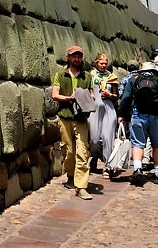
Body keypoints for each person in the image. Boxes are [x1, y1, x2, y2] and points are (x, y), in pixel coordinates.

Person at [118, 61, 158, 186]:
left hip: (138, 115)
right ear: (154, 71)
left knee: (138, 144)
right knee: (157, 146)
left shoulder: (134, 81)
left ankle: (138, 169)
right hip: (157, 117)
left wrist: (122, 114)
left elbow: (126, 98)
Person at [51, 45, 95, 200]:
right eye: (74, 56)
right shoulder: (60, 75)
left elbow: (92, 95)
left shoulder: (87, 76)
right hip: (65, 117)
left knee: (83, 151)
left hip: (81, 119)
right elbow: (55, 95)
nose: (77, 59)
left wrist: (86, 97)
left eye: (79, 56)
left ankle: (81, 186)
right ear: (68, 58)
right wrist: (69, 98)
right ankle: (70, 175)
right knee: (68, 151)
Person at [88, 53, 119, 177]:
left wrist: (110, 95)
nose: (104, 65)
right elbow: (87, 91)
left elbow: (117, 96)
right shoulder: (90, 75)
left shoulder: (112, 77)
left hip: (108, 109)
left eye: (106, 63)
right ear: (96, 63)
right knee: (94, 139)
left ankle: (107, 166)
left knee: (107, 138)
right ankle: (95, 157)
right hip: (94, 108)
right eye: (101, 63)